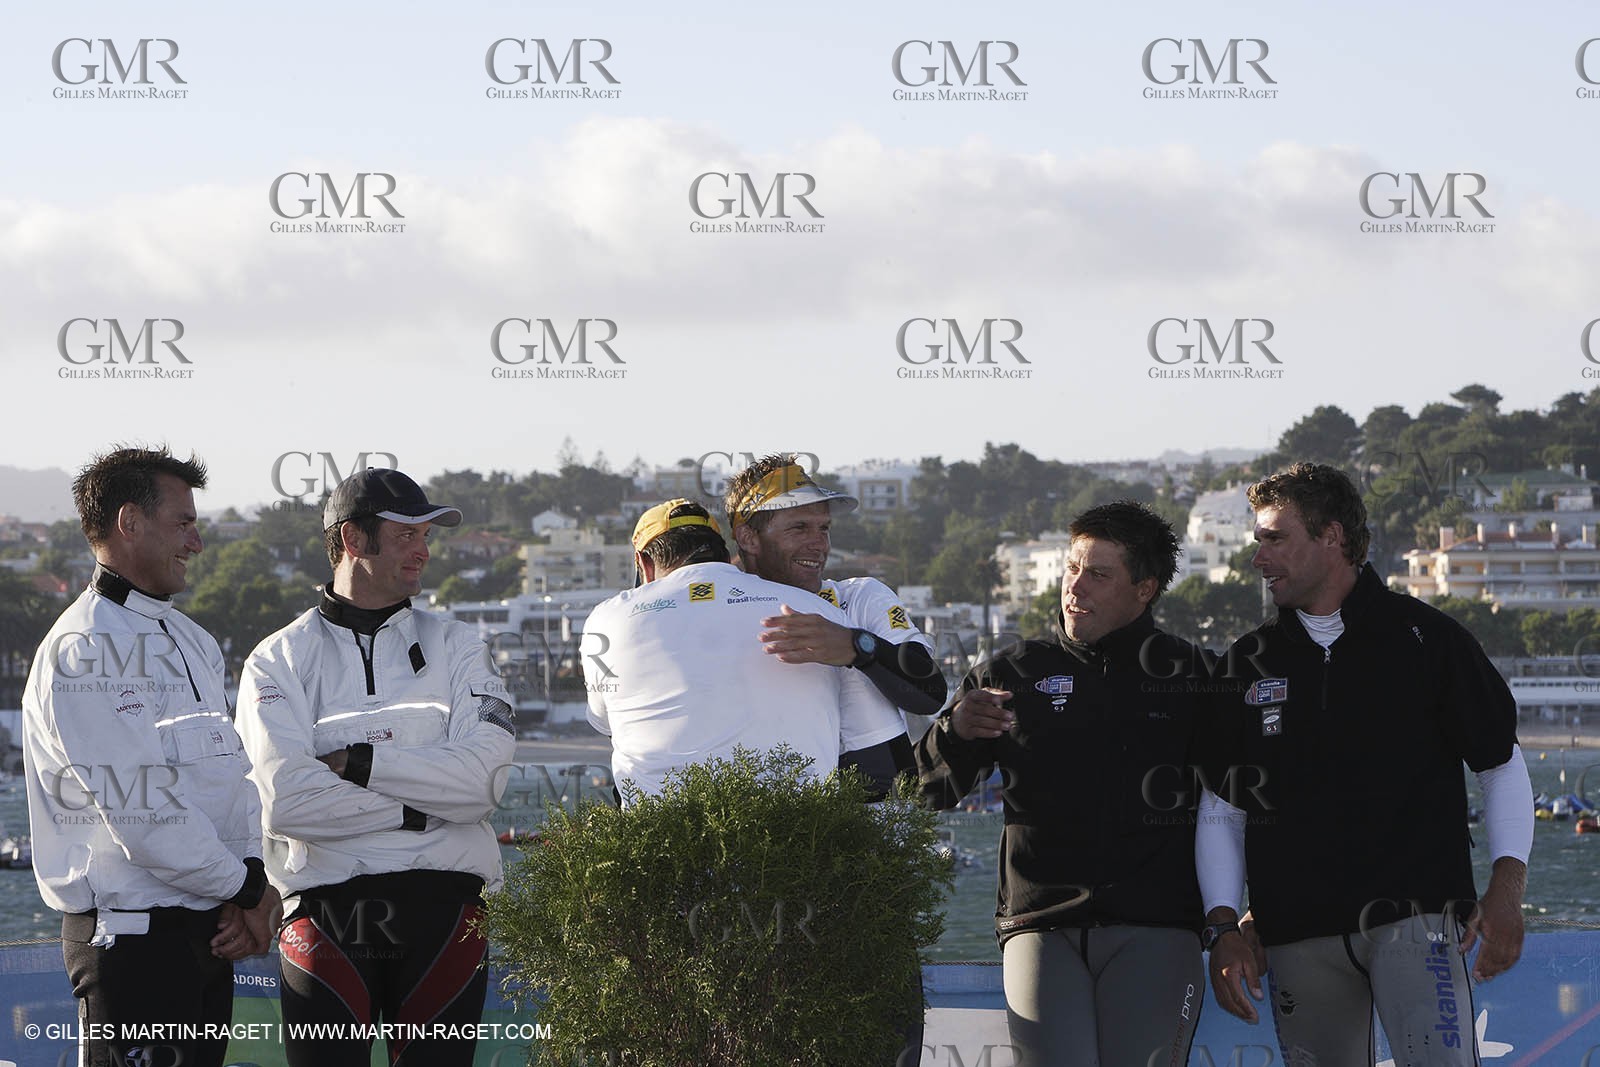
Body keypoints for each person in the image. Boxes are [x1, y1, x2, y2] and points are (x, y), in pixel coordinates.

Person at [1200, 463, 1533, 1067]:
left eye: (1275, 539)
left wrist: (1507, 889)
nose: (1258, 558)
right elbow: (1222, 807)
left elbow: (1501, 766)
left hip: (1420, 924)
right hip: (1296, 934)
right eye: (1257, 541)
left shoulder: (1430, 639)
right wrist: (1224, 927)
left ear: (1332, 537)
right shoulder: (1245, 663)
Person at [234, 468, 515, 1067]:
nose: (424, 550)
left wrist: (357, 764)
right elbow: (286, 803)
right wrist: (427, 808)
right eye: (406, 533)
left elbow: (483, 786)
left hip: (447, 909)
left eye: (426, 535)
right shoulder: (275, 660)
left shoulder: (462, 647)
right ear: (352, 539)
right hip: (325, 914)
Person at [916, 501, 1208, 1067]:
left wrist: (1237, 917)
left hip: (1157, 927)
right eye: (1072, 568)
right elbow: (928, 792)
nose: (1075, 586)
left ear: (1145, 589)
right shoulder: (1009, 674)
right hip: (1040, 926)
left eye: (1098, 574)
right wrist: (953, 731)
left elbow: (1239, 807)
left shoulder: (1194, 675)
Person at [21, 446, 280, 1067]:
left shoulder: (194, 640)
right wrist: (249, 888)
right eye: (183, 523)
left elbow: (233, 780)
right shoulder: (84, 648)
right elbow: (144, 816)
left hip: (209, 933)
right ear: (129, 523)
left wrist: (246, 881)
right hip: (132, 944)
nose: (197, 542)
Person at [581, 498, 882, 800]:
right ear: (724, 556)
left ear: (644, 564)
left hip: (660, 825)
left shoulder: (606, 619)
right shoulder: (817, 611)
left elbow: (605, 722)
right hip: (806, 823)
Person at [722, 455, 947, 797]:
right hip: (769, 818)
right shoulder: (721, 615)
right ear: (749, 538)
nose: (820, 544)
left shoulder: (861, 597)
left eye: (824, 528)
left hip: (879, 821)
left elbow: (930, 694)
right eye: (799, 527)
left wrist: (858, 648)